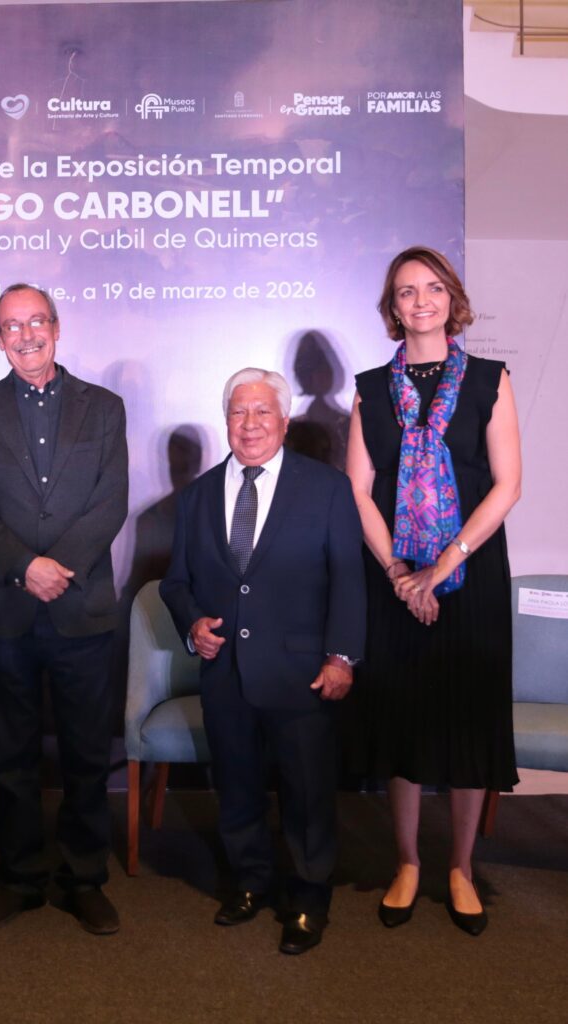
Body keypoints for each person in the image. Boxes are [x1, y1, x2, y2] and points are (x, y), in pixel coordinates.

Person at [345, 246, 521, 935]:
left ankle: (462, 868)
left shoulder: (489, 379)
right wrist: (399, 572)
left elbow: (507, 484)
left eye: (432, 288)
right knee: (403, 718)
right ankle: (409, 862)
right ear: (392, 308)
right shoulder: (369, 388)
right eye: (406, 292)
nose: (421, 301)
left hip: (470, 575)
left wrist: (441, 568)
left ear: (452, 297)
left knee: (470, 718)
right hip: (394, 577)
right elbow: (359, 492)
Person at [160, 368, 365, 955]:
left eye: (262, 412)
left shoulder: (327, 489)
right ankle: (250, 882)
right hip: (225, 672)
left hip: (303, 673)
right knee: (237, 786)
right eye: (238, 412)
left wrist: (342, 657)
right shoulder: (197, 496)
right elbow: (176, 583)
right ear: (225, 420)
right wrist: (193, 623)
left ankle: (308, 898)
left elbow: (349, 580)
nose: (249, 424)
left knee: (307, 793)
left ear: (285, 420)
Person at [0, 283, 128, 934]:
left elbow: (110, 500)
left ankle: (84, 880)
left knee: (86, 755)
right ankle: (21, 879)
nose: (26, 335)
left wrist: (59, 569)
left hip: (82, 608)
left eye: (36, 322)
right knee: (13, 757)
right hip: (6, 610)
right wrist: (26, 566)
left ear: (57, 327)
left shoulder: (103, 408)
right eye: (12, 326)